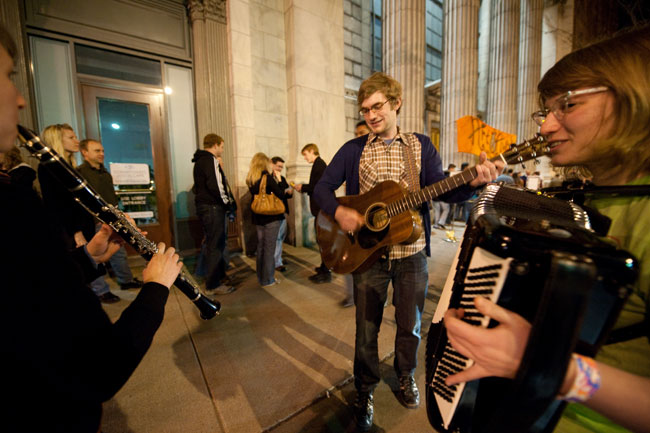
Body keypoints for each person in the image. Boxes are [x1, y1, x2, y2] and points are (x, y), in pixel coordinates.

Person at [443, 26, 650, 433]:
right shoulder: (584, 197)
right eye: (547, 111)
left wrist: (554, 369)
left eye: (567, 105)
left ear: (633, 96)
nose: (546, 127)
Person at [0, 24, 183, 432]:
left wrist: (84, 260)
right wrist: (155, 289)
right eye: (8, 76)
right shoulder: (13, 207)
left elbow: (30, 296)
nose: (21, 99)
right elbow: (99, 367)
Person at [313, 71, 501, 431]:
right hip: (367, 254)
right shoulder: (354, 150)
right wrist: (339, 211)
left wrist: (472, 184)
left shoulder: (420, 146)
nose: (371, 115)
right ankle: (365, 389)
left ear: (396, 103)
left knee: (410, 326)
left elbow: (442, 191)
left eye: (378, 106)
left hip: (411, 253)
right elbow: (322, 187)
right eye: (366, 109)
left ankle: (405, 375)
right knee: (366, 329)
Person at [77, 139, 143, 300]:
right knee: (95, 257)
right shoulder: (80, 173)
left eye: (102, 151)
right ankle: (101, 291)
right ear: (85, 153)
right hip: (94, 222)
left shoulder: (105, 174)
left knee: (117, 251)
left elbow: (111, 198)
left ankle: (125, 280)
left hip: (111, 219)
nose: (101, 154)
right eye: (97, 151)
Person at [40, 123, 96, 251]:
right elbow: (57, 203)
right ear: (57, 140)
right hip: (70, 231)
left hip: (83, 226)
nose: (77, 141)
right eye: (71, 138)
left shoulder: (70, 166)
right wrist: (76, 231)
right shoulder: (48, 167)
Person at [192, 133, 236, 295]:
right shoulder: (210, 160)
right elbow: (217, 186)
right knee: (215, 247)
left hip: (207, 208)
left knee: (213, 245)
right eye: (222, 147)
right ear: (215, 145)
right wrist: (227, 204)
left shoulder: (199, 161)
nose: (222, 150)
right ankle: (213, 284)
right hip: (213, 208)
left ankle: (217, 277)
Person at [246, 152, 286, 288]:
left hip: (258, 217)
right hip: (270, 217)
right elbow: (280, 194)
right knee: (269, 248)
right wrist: (280, 181)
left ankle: (261, 277)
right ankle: (268, 279)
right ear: (264, 163)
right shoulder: (266, 177)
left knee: (261, 247)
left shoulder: (251, 178)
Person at [293, 143, 331, 283]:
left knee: (323, 241)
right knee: (321, 240)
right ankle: (324, 267)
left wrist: (303, 187)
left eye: (305, 154)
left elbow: (319, 187)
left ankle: (326, 272)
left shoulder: (319, 165)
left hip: (322, 208)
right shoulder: (318, 164)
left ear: (311, 151)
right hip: (320, 209)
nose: (305, 158)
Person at [271, 156, 293, 272]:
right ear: (272, 164)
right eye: (278, 166)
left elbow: (287, 194)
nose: (280, 169)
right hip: (273, 212)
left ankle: (277, 259)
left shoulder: (282, 178)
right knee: (276, 238)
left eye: (281, 167)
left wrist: (289, 192)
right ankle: (276, 262)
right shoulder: (269, 178)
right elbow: (279, 193)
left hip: (282, 210)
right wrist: (280, 183)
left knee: (280, 237)